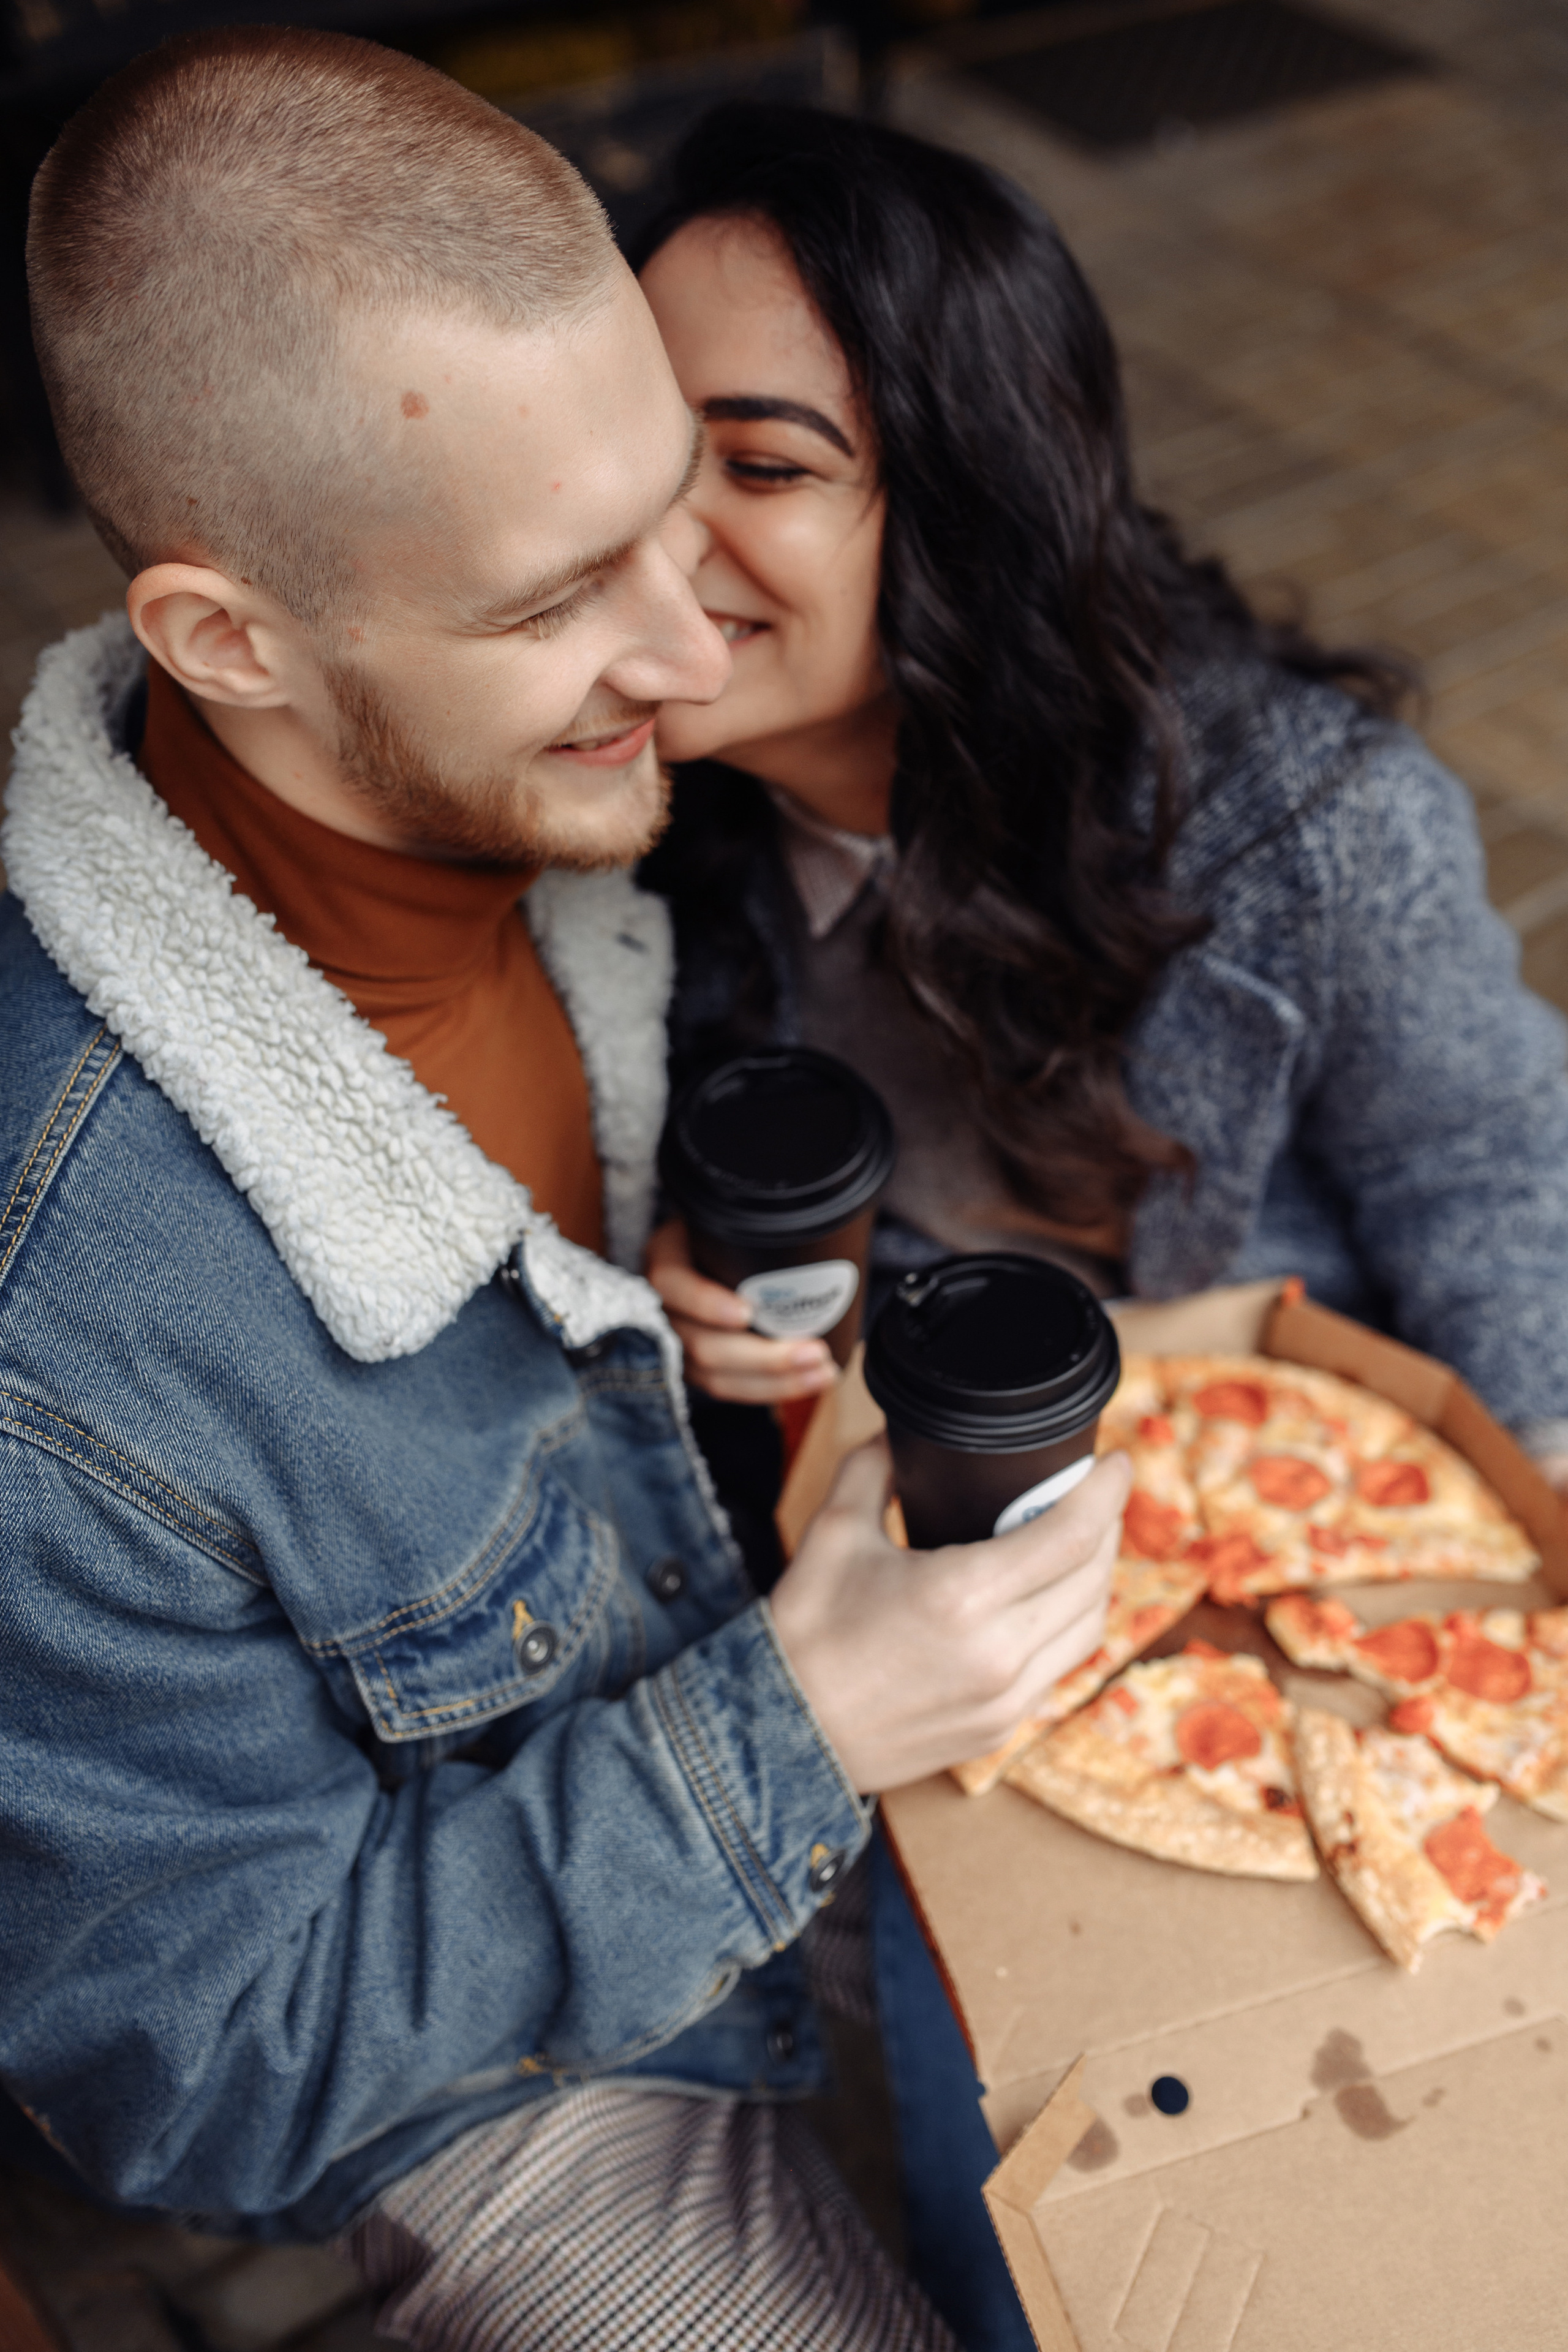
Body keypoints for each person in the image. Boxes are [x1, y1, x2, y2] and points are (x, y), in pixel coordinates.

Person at [0, 34, 1133, 2352]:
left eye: (682, 504)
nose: (695, 646)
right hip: (497, 2068)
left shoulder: (560, 799)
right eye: (555, 602)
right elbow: (194, 2067)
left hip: (747, 1670)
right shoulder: (57, 1320)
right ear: (230, 642)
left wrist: (639, 1280)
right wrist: (793, 1734)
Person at [635, 105, 1568, 2345]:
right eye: (627, 457)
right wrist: (676, 1305)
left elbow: (1492, 1182)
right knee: (1008, 2158)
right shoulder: (618, 836)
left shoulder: (1310, 825)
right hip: (915, 1590)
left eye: (757, 467)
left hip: (1296, 1562)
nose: (654, 548)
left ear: (952, 499)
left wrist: (1522, 1559)